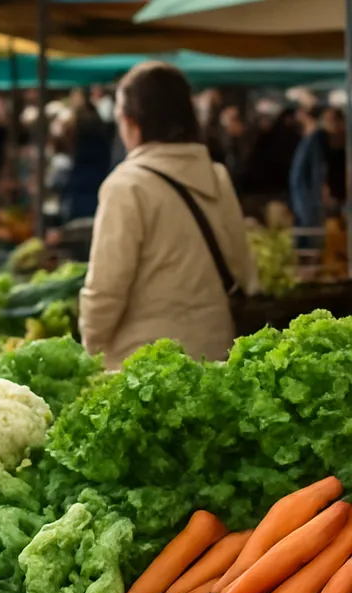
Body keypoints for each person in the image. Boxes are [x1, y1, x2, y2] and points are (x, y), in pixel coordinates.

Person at [80, 63, 256, 370]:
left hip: (144, 369)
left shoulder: (127, 185)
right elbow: (243, 268)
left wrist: (90, 347)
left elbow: (106, 289)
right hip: (214, 354)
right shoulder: (216, 176)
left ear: (133, 122)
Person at [289, 105, 329, 229]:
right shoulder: (308, 138)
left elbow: (318, 170)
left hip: (309, 198)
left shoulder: (315, 138)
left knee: (310, 230)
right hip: (303, 197)